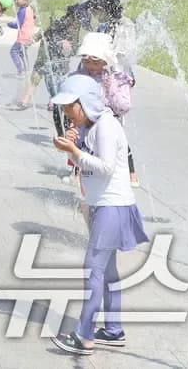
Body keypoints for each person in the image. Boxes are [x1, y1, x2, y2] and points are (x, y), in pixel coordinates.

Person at [48, 75, 148, 357]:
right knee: (107, 271)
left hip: (112, 207)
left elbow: (103, 167)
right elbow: (84, 161)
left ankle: (84, 335)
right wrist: (70, 144)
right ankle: (113, 330)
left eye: (71, 106)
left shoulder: (106, 126)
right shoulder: (89, 126)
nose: (67, 112)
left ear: (86, 103)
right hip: (101, 207)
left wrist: (74, 151)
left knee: (93, 269)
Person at [72, 33, 138, 187]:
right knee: (84, 157)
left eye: (94, 63)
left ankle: (124, 177)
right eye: (85, 61)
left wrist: (111, 87)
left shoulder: (118, 79)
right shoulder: (80, 75)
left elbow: (124, 107)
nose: (89, 67)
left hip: (107, 126)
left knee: (109, 158)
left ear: (105, 61)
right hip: (85, 126)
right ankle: (84, 193)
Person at [7, 0, 37, 78]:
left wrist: (9, 24)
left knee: (13, 51)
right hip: (30, 35)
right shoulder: (30, 9)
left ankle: (21, 71)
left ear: (25, 0)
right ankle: (27, 69)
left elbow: (18, 25)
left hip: (23, 37)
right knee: (21, 53)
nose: (16, 1)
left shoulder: (22, 10)